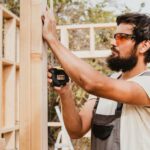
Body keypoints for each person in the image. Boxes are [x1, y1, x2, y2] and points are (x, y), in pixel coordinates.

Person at [42, 10, 150, 150]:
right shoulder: (107, 83)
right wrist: (65, 92)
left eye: (121, 37)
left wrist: (52, 40)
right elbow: (76, 130)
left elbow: (92, 83)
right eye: (114, 36)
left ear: (144, 45)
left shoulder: (146, 82)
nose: (113, 42)